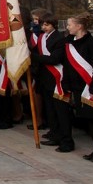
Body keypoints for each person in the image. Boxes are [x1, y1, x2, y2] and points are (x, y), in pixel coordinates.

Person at [63, 13, 93, 163]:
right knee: (91, 121)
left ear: (79, 26)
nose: (67, 27)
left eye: (70, 24)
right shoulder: (71, 43)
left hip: (92, 89)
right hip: (78, 88)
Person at [32, 13, 73, 152]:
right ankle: (55, 134)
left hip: (58, 79)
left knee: (60, 111)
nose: (44, 27)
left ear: (53, 25)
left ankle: (66, 140)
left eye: (47, 24)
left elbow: (54, 59)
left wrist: (34, 57)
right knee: (50, 110)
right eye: (42, 24)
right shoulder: (42, 37)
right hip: (45, 79)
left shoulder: (59, 38)